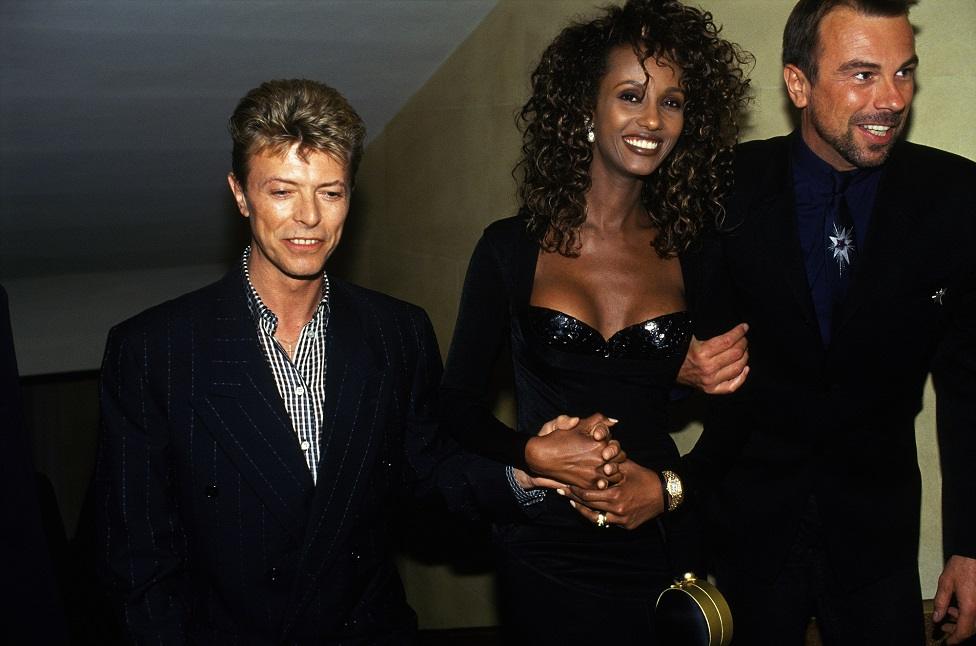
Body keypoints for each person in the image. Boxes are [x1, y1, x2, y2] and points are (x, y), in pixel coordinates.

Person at [95, 78, 545, 644]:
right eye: (282, 191)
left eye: (330, 193)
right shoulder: (153, 350)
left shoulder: (397, 332)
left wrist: (522, 473)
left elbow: (425, 476)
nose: (309, 218)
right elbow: (137, 562)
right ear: (240, 194)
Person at [439, 1, 751, 643]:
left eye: (673, 102)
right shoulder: (510, 248)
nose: (652, 120)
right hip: (543, 550)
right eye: (631, 95)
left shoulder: (696, 250)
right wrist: (532, 453)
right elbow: (455, 405)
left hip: (660, 543)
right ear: (585, 108)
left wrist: (666, 490)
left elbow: (737, 415)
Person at [685, 1, 976, 644]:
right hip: (743, 531)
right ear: (798, 83)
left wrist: (969, 548)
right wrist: (679, 362)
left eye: (904, 73)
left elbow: (970, 387)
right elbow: (647, 326)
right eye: (862, 74)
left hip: (877, 541)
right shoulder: (719, 187)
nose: (891, 99)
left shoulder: (958, 198)